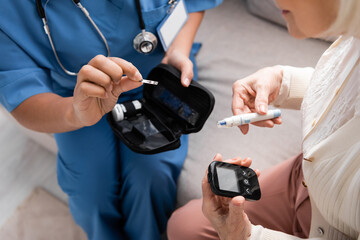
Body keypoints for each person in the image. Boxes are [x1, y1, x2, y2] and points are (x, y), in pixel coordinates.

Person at [0, 0, 222, 239]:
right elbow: (20, 92)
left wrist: (178, 50)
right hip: (75, 98)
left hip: (157, 79)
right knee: (89, 192)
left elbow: (191, 3)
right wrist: (75, 112)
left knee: (151, 176)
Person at [167, 0, 360, 239]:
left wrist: (247, 235)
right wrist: (283, 82)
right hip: (304, 177)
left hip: (335, 221)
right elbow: (349, 90)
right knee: (183, 227)